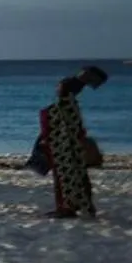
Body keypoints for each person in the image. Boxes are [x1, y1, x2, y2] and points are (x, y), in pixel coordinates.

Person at [41, 75, 97, 219]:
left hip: (61, 148)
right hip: (75, 147)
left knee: (63, 178)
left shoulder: (57, 108)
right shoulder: (73, 106)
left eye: (59, 87)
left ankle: (66, 208)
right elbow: (79, 129)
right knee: (79, 176)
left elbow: (49, 129)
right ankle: (84, 205)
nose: (56, 89)